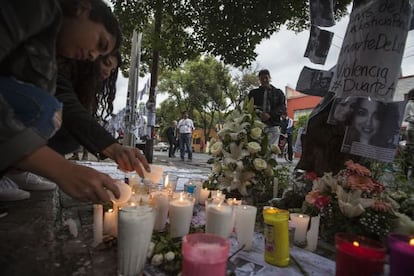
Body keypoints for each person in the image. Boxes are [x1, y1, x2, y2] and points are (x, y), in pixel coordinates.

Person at [0, 0, 148, 203]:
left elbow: (63, 100)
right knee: (44, 109)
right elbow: (62, 103)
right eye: (100, 44)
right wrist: (60, 169)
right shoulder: (40, 6)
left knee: (53, 114)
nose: (92, 55)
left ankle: (14, 168)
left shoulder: (52, 53)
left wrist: (113, 148)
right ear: (83, 9)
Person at [248, 69, 286, 147]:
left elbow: (282, 107)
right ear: (259, 79)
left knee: (272, 150)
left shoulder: (278, 93)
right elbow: (249, 107)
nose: (264, 80)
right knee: (258, 148)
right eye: (262, 79)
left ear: (269, 78)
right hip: (257, 126)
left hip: (273, 125)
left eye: (266, 78)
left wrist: (270, 114)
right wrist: (258, 114)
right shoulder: (253, 93)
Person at [403, 89, 414, 176]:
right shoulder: (410, 104)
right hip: (411, 131)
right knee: (409, 151)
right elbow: (406, 118)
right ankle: (404, 172)